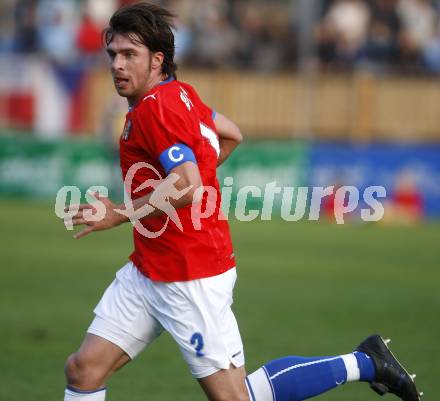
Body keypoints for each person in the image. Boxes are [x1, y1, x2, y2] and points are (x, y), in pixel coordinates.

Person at [62, 3, 422, 401]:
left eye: (130, 55)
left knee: (236, 398)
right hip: (150, 269)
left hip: (190, 276)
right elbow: (231, 134)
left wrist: (121, 213)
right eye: (113, 54)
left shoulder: (155, 111)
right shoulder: (179, 95)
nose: (117, 65)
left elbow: (186, 185)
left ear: (157, 59)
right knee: (84, 369)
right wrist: (196, 179)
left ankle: (366, 362)